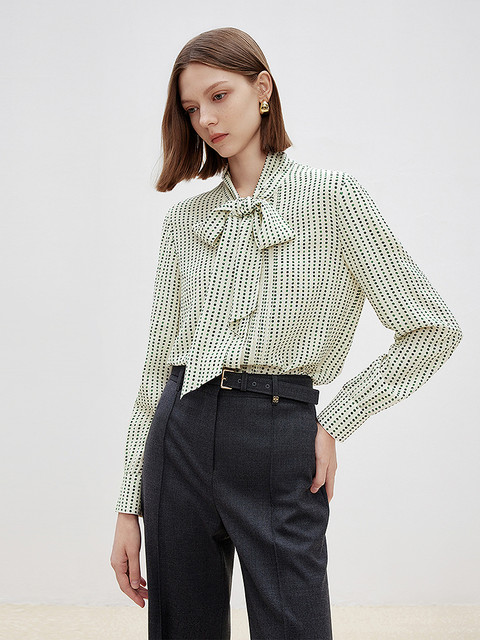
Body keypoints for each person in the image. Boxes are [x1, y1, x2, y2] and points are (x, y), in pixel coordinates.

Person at [110, 27, 462, 640]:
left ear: (263, 89)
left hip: (279, 436)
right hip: (179, 436)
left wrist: (336, 420)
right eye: (191, 108)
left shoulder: (333, 200)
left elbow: (432, 329)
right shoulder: (186, 221)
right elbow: (156, 366)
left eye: (219, 96)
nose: (206, 120)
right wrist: (126, 504)